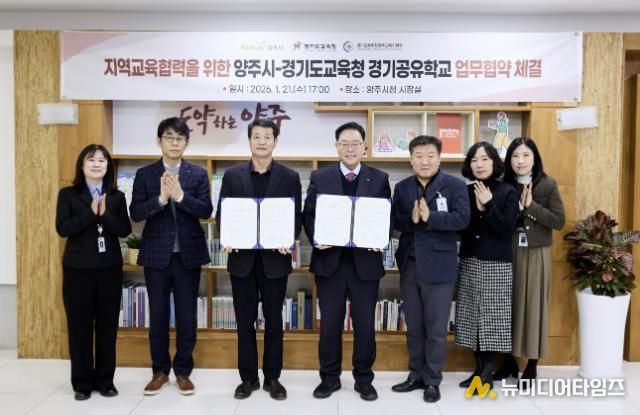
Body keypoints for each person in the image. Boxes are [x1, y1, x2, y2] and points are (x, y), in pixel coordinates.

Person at [303, 122, 391, 401]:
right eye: (344, 143)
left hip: (365, 263)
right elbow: (309, 215)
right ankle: (329, 378)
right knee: (330, 324)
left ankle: (363, 379)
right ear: (337, 147)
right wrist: (316, 238)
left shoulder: (379, 178)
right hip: (330, 262)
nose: (350, 148)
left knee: (365, 325)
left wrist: (381, 237)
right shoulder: (320, 177)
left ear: (364, 147)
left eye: (355, 143)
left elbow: (385, 216)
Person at [216, 119, 302, 400]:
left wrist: (288, 238)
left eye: (267, 136)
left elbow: (296, 216)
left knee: (274, 322)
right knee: (244, 322)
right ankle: (248, 378)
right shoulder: (232, 175)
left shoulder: (289, 177)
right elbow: (223, 214)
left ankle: (272, 378)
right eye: (257, 136)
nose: (262, 141)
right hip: (241, 260)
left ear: (275, 141)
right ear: (250, 140)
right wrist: (227, 236)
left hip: (275, 260)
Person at [129, 117, 213, 396]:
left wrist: (180, 197)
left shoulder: (197, 174)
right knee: (159, 316)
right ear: (159, 141)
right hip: (156, 257)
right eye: (169, 137)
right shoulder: (145, 174)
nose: (174, 143)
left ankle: (183, 372)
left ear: (186, 142)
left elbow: (206, 211)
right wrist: (161, 200)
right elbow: (136, 213)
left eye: (179, 138)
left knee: (187, 317)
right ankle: (160, 371)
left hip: (188, 256)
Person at [390, 135, 469, 403]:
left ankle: (433, 380)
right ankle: (415, 375)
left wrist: (431, 217)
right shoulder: (402, 188)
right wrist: (411, 219)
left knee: (436, 329)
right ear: (411, 160)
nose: (424, 161)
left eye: (430, 156)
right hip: (410, 264)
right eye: (419, 156)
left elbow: (463, 220)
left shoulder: (455, 186)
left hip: (439, 266)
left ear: (439, 158)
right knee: (414, 326)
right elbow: (395, 221)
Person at [55, 144, 132, 401]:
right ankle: (82, 383)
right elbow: (63, 228)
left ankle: (106, 381)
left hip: (109, 269)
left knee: (108, 328)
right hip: (78, 270)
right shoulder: (68, 194)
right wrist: (90, 214)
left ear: (108, 166)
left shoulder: (116, 196)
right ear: (82, 164)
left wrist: (104, 214)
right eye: (91, 160)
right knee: (80, 328)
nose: (97, 164)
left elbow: (124, 230)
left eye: (102, 160)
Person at [493, 137, 565, 386]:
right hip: (508, 249)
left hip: (536, 252)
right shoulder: (503, 185)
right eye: (515, 156)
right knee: (507, 306)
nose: (520, 161)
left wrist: (531, 206)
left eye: (525, 155)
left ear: (535, 158)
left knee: (534, 307)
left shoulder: (547, 184)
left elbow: (559, 221)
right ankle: (509, 362)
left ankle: (532, 364)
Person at [454, 142, 519, 392]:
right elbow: (460, 228)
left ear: (494, 162)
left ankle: (486, 372)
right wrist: (478, 212)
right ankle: (478, 369)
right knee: (472, 316)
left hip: (496, 262)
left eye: (484, 159)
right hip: (470, 259)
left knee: (492, 317)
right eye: (474, 160)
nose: (479, 164)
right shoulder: (465, 191)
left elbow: (506, 229)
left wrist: (489, 206)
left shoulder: (507, 191)